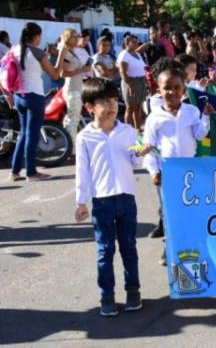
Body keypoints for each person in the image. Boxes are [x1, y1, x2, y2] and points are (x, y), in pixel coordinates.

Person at [75, 78, 143, 316]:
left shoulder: (127, 131)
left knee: (129, 247)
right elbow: (82, 171)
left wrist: (141, 154)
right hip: (102, 202)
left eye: (114, 100)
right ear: (90, 107)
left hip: (126, 198)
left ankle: (133, 291)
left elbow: (135, 161)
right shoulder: (85, 137)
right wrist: (81, 201)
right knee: (105, 250)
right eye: (105, 101)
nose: (112, 105)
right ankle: (107, 296)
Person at [142, 66, 215, 264]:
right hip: (168, 171)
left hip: (189, 169)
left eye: (177, 87)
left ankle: (194, 245)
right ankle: (170, 247)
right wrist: (153, 171)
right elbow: (148, 147)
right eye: (167, 88)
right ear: (159, 89)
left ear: (184, 89)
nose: (172, 92)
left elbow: (200, 134)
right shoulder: (154, 118)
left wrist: (206, 116)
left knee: (190, 209)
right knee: (170, 211)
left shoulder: (191, 111)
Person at [6, 22, 67, 181]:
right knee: (32, 135)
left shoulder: (14, 49)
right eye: (40, 36)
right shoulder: (38, 53)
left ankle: (15, 171)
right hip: (35, 96)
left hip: (20, 96)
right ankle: (31, 172)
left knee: (24, 134)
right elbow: (55, 75)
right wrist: (60, 54)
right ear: (35, 36)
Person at [60, 28, 93, 146]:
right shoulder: (65, 52)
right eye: (74, 37)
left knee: (73, 118)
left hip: (76, 87)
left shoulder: (73, 51)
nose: (77, 39)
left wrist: (84, 69)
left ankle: (69, 144)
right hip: (72, 89)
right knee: (73, 120)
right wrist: (82, 70)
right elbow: (62, 73)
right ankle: (71, 147)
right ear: (68, 38)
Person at [117, 35, 147, 131]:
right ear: (127, 44)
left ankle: (137, 128)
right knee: (130, 108)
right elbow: (123, 72)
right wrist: (130, 86)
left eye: (136, 42)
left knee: (138, 107)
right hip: (131, 82)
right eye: (133, 42)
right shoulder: (124, 54)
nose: (136, 44)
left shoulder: (137, 54)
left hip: (140, 81)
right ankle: (127, 130)